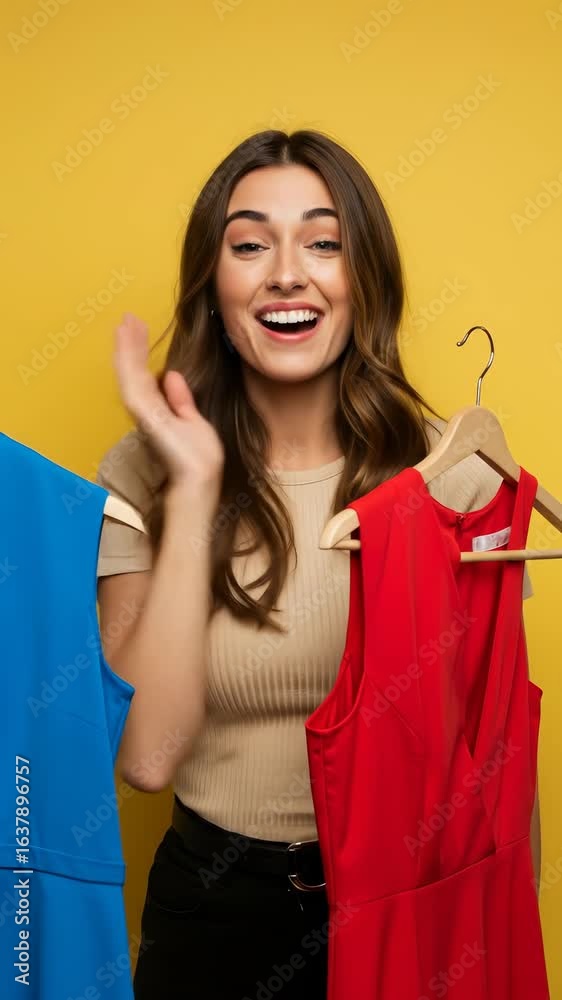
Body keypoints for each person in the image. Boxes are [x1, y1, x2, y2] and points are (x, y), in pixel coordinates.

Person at [95, 129, 539, 1000]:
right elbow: (147, 758)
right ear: (212, 285)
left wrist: (505, 934)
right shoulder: (140, 473)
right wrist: (196, 486)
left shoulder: (454, 478)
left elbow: (497, 754)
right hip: (215, 917)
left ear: (363, 277)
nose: (287, 274)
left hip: (413, 909)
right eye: (250, 245)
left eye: (324, 243)